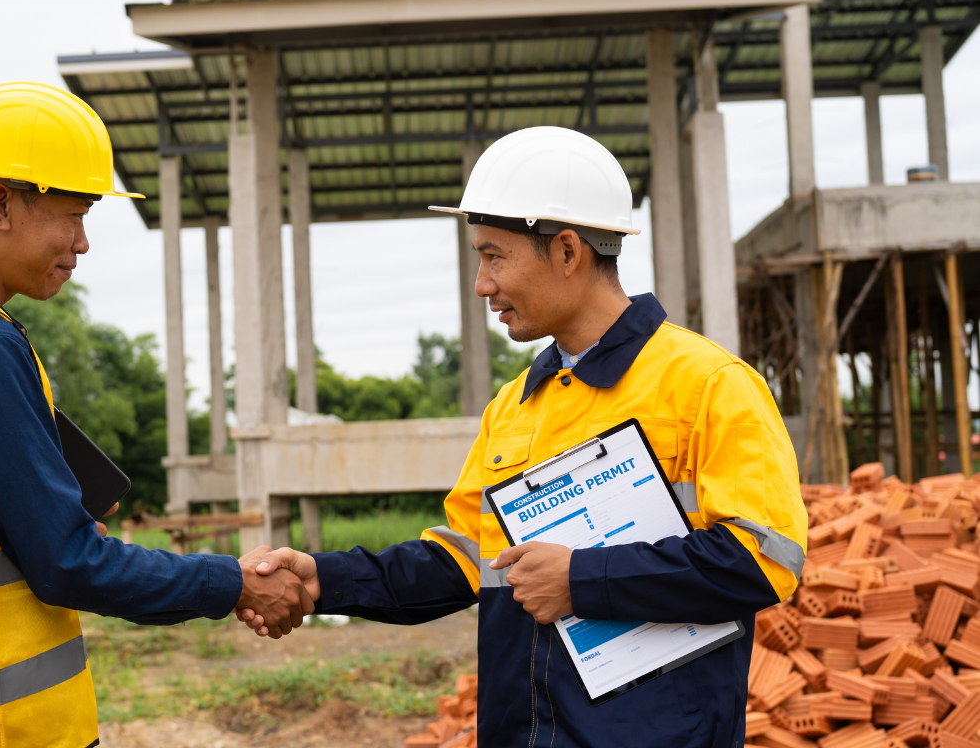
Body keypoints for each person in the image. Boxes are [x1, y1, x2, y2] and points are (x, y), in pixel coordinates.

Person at [240, 126, 808, 748]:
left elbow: (764, 560)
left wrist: (584, 579)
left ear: (567, 252)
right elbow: (462, 561)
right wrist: (322, 578)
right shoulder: (513, 407)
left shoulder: (709, 385)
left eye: (494, 256)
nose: (483, 284)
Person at [0, 82, 311, 748]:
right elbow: (67, 563)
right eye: (72, 216)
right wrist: (232, 582)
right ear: (1, 204)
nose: (81, 242)